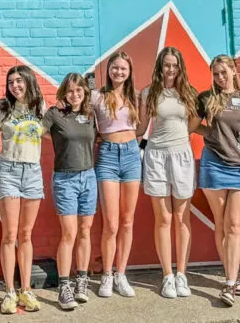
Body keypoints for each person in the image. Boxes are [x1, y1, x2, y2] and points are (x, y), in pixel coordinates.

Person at [135, 47, 201, 299]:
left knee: (182, 217)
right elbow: (142, 126)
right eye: (166, 65)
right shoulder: (148, 93)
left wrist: (182, 136)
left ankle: (182, 274)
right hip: (156, 157)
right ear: (160, 67)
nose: (170, 69)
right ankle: (167, 276)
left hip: (181, 156)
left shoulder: (189, 93)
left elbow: (193, 122)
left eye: (174, 65)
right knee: (163, 218)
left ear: (180, 67)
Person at [0, 65, 47, 314]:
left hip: (32, 171)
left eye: (19, 81)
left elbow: (53, 132)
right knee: (10, 235)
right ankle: (10, 291)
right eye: (11, 82)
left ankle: (26, 290)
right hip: (8, 171)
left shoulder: (39, 107)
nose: (15, 86)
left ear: (29, 81)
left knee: (26, 234)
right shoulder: (3, 108)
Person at [196, 55, 240, 306]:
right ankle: (231, 280)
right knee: (221, 223)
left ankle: (231, 277)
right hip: (214, 164)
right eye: (216, 74)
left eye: (223, 72)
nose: (220, 77)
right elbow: (192, 125)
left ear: (234, 70)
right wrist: (211, 133)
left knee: (234, 224)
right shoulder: (206, 98)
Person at [44, 73, 98, 311]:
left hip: (89, 176)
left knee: (85, 230)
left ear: (85, 92)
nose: (74, 95)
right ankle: (64, 287)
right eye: (70, 91)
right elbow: (39, 131)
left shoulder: (90, 115)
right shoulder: (55, 114)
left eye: (79, 90)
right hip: (65, 179)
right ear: (64, 93)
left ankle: (82, 281)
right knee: (69, 233)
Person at [91, 51, 141, 298]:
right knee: (111, 223)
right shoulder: (96, 97)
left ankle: (121, 274)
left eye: (123, 68)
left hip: (131, 155)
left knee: (127, 220)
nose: (118, 72)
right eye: (115, 67)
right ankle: (107, 275)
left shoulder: (136, 97)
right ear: (108, 70)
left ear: (129, 72)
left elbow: (141, 127)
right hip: (108, 156)